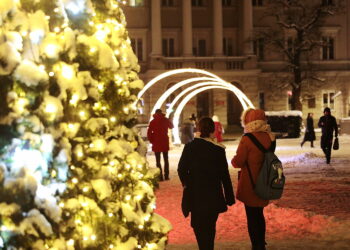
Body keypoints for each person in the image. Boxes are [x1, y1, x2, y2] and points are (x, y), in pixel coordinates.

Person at [178, 117, 235, 250]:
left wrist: (187, 183)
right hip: (213, 195)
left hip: (195, 194)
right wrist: (229, 197)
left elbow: (181, 169)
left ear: (198, 129)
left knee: (198, 225)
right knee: (210, 226)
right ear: (212, 130)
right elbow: (224, 175)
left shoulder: (190, 147)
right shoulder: (218, 150)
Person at [231, 108, 276, 250]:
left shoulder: (247, 139)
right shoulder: (270, 137)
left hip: (250, 184)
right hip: (265, 182)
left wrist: (233, 159)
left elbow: (238, 162)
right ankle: (261, 243)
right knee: (259, 215)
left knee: (252, 216)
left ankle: (256, 245)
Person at [147, 109, 174, 181]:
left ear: (155, 113)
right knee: (166, 159)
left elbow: (149, 132)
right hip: (164, 140)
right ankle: (166, 175)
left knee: (158, 161)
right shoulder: (165, 120)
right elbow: (171, 126)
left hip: (156, 142)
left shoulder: (152, 122)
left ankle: (160, 177)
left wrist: (151, 140)